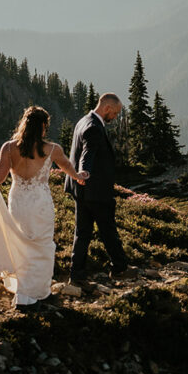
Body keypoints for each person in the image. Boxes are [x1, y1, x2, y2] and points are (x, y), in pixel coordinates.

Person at [0, 105, 88, 311]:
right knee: (42, 245)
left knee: (21, 244)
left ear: (24, 124)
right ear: (43, 127)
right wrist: (78, 176)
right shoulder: (52, 149)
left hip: (18, 203)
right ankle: (35, 294)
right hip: (40, 204)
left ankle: (24, 292)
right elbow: (66, 166)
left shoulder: (8, 147)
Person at [65, 93, 130, 283]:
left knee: (82, 233)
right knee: (108, 230)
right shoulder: (94, 127)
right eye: (116, 113)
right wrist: (85, 171)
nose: (116, 117)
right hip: (96, 191)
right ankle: (119, 268)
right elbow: (88, 151)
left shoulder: (83, 121)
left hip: (81, 190)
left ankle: (76, 274)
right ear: (107, 108)